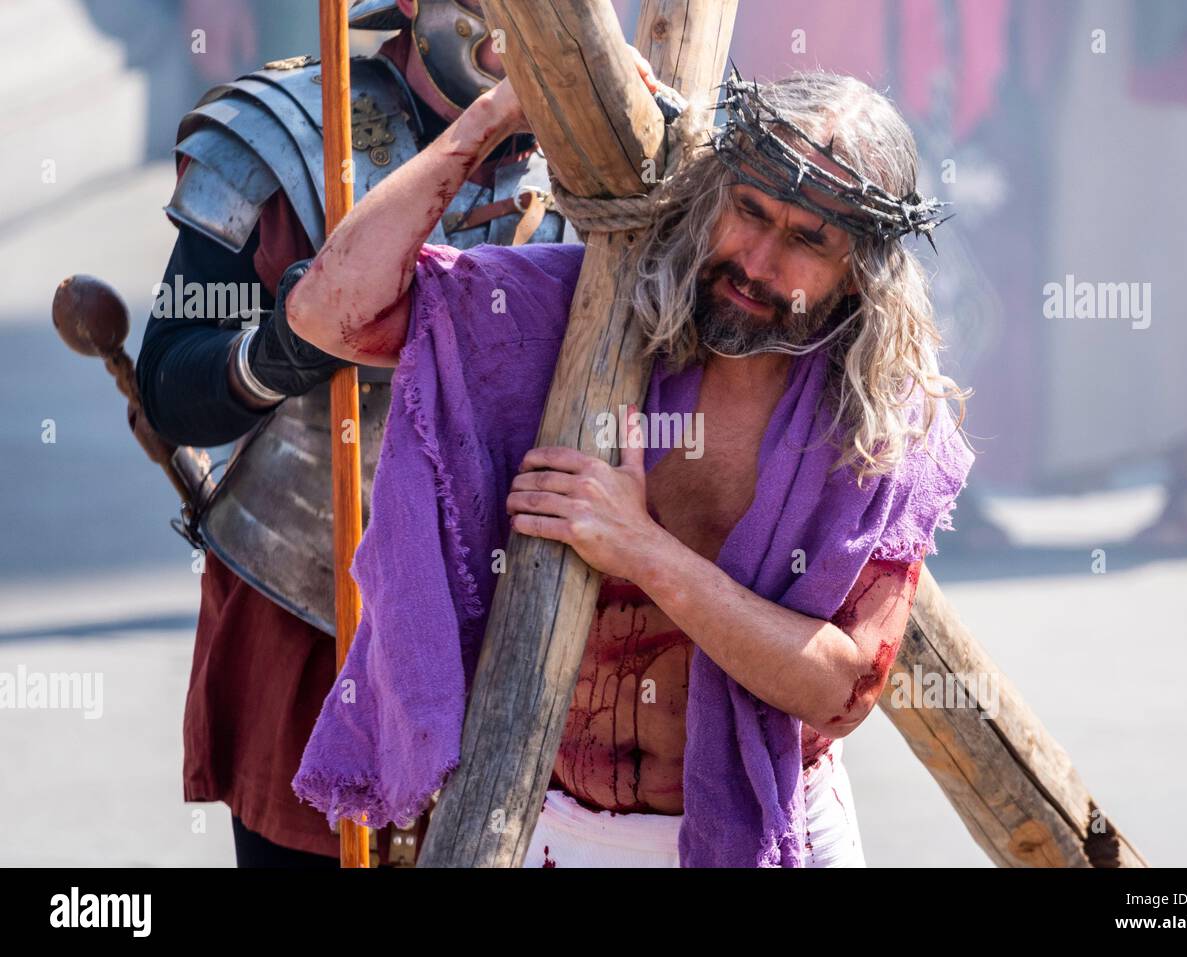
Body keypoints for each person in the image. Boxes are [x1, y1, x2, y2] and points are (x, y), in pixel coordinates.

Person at [288, 59, 974, 866]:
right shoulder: (571, 315)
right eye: (747, 211)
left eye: (805, 241)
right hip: (540, 823)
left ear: (860, 268)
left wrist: (642, 549)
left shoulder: (878, 421)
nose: (756, 261)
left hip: (769, 831)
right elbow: (328, 315)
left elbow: (840, 690)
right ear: (714, 195)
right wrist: (490, 120)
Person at [135, 0, 573, 867]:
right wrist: (285, 348)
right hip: (316, 617)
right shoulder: (293, 129)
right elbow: (173, 383)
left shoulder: (621, 147)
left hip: (553, 629)